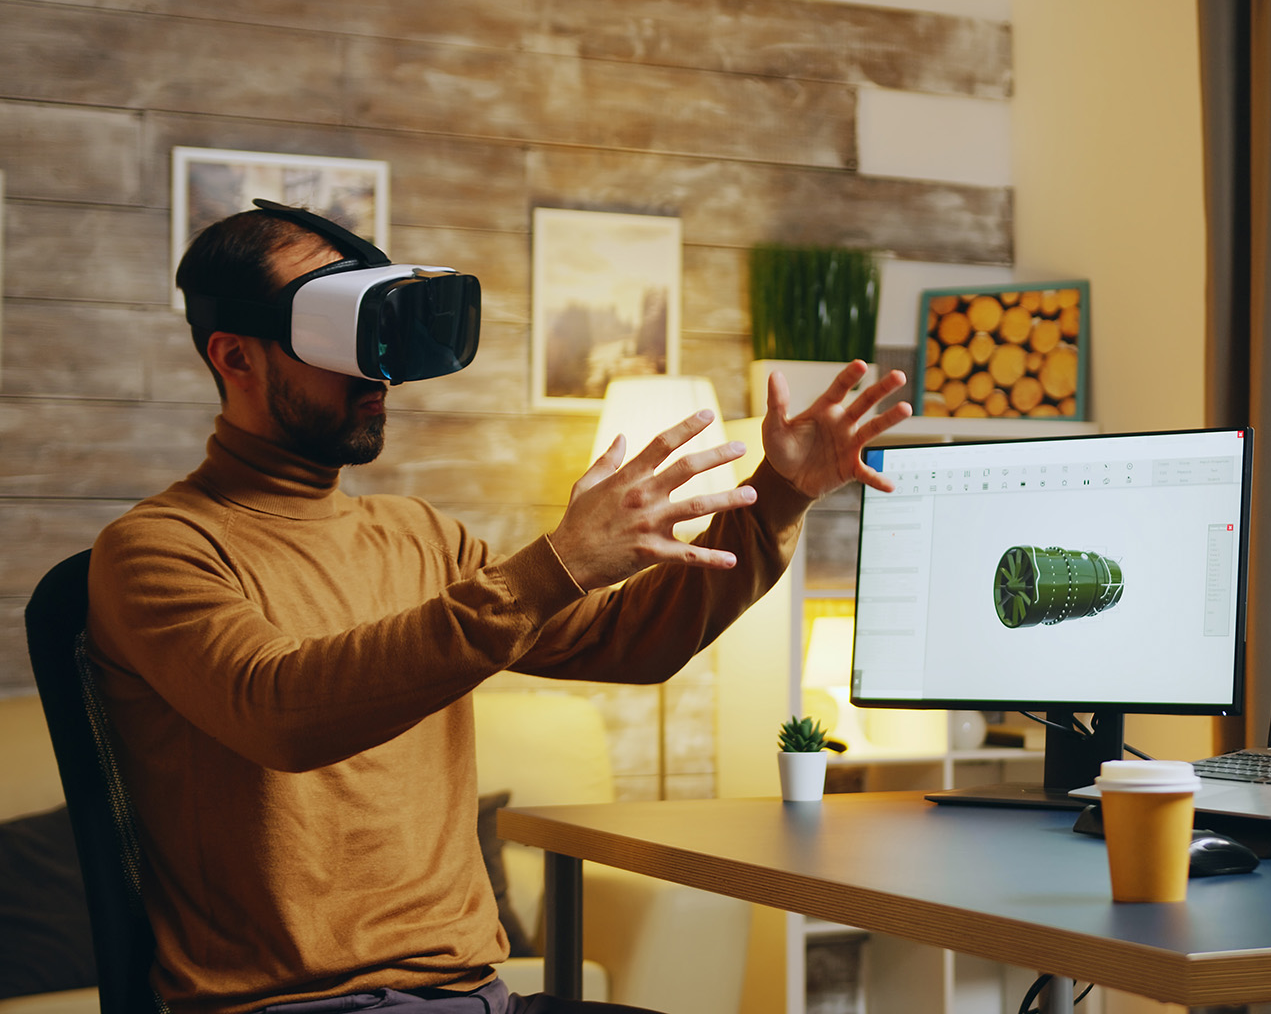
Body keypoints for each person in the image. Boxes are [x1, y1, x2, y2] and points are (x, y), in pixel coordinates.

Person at [84, 207, 910, 1014]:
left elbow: (630, 643)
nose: (377, 374)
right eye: (338, 339)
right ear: (235, 355)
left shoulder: (415, 537)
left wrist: (775, 496)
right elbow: (283, 712)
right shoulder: (157, 549)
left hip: (478, 994)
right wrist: (557, 565)